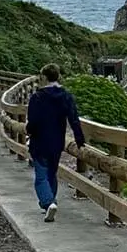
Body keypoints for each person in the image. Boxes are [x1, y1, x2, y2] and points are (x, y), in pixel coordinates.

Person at [25, 63, 85, 222]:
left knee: (41, 175)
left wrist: (29, 130)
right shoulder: (66, 96)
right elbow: (74, 119)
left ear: (44, 77)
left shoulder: (37, 97)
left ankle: (48, 202)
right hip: (57, 141)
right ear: (58, 76)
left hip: (39, 140)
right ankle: (51, 201)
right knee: (51, 172)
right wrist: (80, 139)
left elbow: (32, 121)